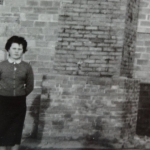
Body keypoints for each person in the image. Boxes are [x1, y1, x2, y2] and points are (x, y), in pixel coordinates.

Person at [0, 36, 34, 150]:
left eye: (19, 49)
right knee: (2, 129)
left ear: (23, 51)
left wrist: (20, 94)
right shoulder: (1, 65)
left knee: (16, 129)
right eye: (14, 48)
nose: (16, 51)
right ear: (8, 49)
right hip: (2, 102)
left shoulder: (27, 67)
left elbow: (30, 86)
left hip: (19, 103)